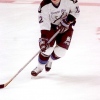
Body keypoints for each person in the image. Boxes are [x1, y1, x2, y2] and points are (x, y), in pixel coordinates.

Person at [31, 0, 80, 76]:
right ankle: (39, 67)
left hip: (66, 28)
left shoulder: (70, 0)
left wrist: (68, 20)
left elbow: (76, 11)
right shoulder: (44, 5)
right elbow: (44, 23)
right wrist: (43, 38)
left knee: (61, 52)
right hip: (51, 27)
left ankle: (49, 60)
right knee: (46, 49)